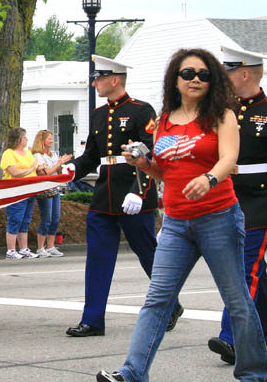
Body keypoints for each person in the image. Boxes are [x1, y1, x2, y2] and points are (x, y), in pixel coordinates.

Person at [97, 48, 267, 382]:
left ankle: (253, 375)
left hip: (219, 217)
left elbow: (229, 159)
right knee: (157, 300)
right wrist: (144, 164)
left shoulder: (222, 115)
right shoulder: (164, 120)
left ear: (213, 80)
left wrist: (209, 179)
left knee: (237, 301)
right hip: (176, 223)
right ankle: (132, 373)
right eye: (188, 74)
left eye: (204, 74)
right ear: (175, 79)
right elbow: (165, 171)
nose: (196, 80)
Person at [66, 55, 182, 338]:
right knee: (97, 258)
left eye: (99, 78)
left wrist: (140, 192)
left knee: (148, 255)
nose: (95, 82)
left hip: (133, 193)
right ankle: (92, 319)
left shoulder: (142, 111)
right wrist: (71, 170)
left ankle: (170, 305)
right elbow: (93, 157)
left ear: (114, 79)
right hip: (104, 194)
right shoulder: (97, 114)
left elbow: (150, 153)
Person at [206, 46, 267, 363]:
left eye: (227, 72)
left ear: (244, 73)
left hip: (263, 200)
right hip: (229, 198)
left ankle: (232, 338)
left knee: (243, 270)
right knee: (255, 270)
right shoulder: (221, 113)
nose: (221, 79)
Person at [0, 126, 43, 259]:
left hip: (30, 190)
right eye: (24, 137)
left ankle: (24, 248)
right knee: (15, 218)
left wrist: (39, 168)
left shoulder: (28, 153)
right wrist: (30, 169)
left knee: (25, 220)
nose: (27, 139)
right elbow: (15, 172)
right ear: (18, 139)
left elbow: (34, 169)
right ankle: (11, 250)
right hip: (16, 191)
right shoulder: (9, 153)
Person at [31, 129, 72, 257]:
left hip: (55, 188)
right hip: (45, 190)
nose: (52, 141)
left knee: (55, 218)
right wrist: (58, 164)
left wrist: (61, 165)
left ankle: (50, 246)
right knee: (46, 218)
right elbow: (45, 173)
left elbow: (56, 172)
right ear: (42, 140)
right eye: (49, 138)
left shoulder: (52, 154)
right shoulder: (38, 156)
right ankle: (40, 248)